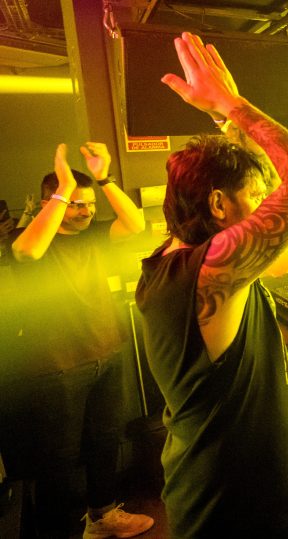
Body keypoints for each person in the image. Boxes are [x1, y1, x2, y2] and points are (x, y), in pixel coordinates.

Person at [134, 32, 288, 536]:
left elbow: (267, 179)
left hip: (252, 498)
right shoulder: (207, 272)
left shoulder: (181, 261)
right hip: (231, 513)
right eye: (257, 197)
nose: (267, 204)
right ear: (219, 204)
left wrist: (226, 122)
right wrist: (232, 104)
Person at [4, 142, 150, 538]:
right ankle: (62, 531)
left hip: (107, 349)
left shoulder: (94, 234)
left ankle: (103, 517)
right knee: (59, 459)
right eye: (76, 204)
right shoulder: (31, 237)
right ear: (52, 202)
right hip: (58, 366)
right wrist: (63, 187)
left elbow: (135, 224)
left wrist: (104, 177)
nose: (85, 211)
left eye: (89, 205)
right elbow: (27, 252)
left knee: (105, 441)